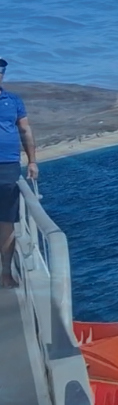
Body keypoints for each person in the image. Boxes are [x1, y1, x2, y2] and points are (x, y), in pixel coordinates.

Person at [0, 59, 38, 289]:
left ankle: (5, 272)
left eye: (0, 71)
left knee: (6, 222)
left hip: (8, 167)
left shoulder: (13, 101)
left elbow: (25, 129)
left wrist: (32, 161)